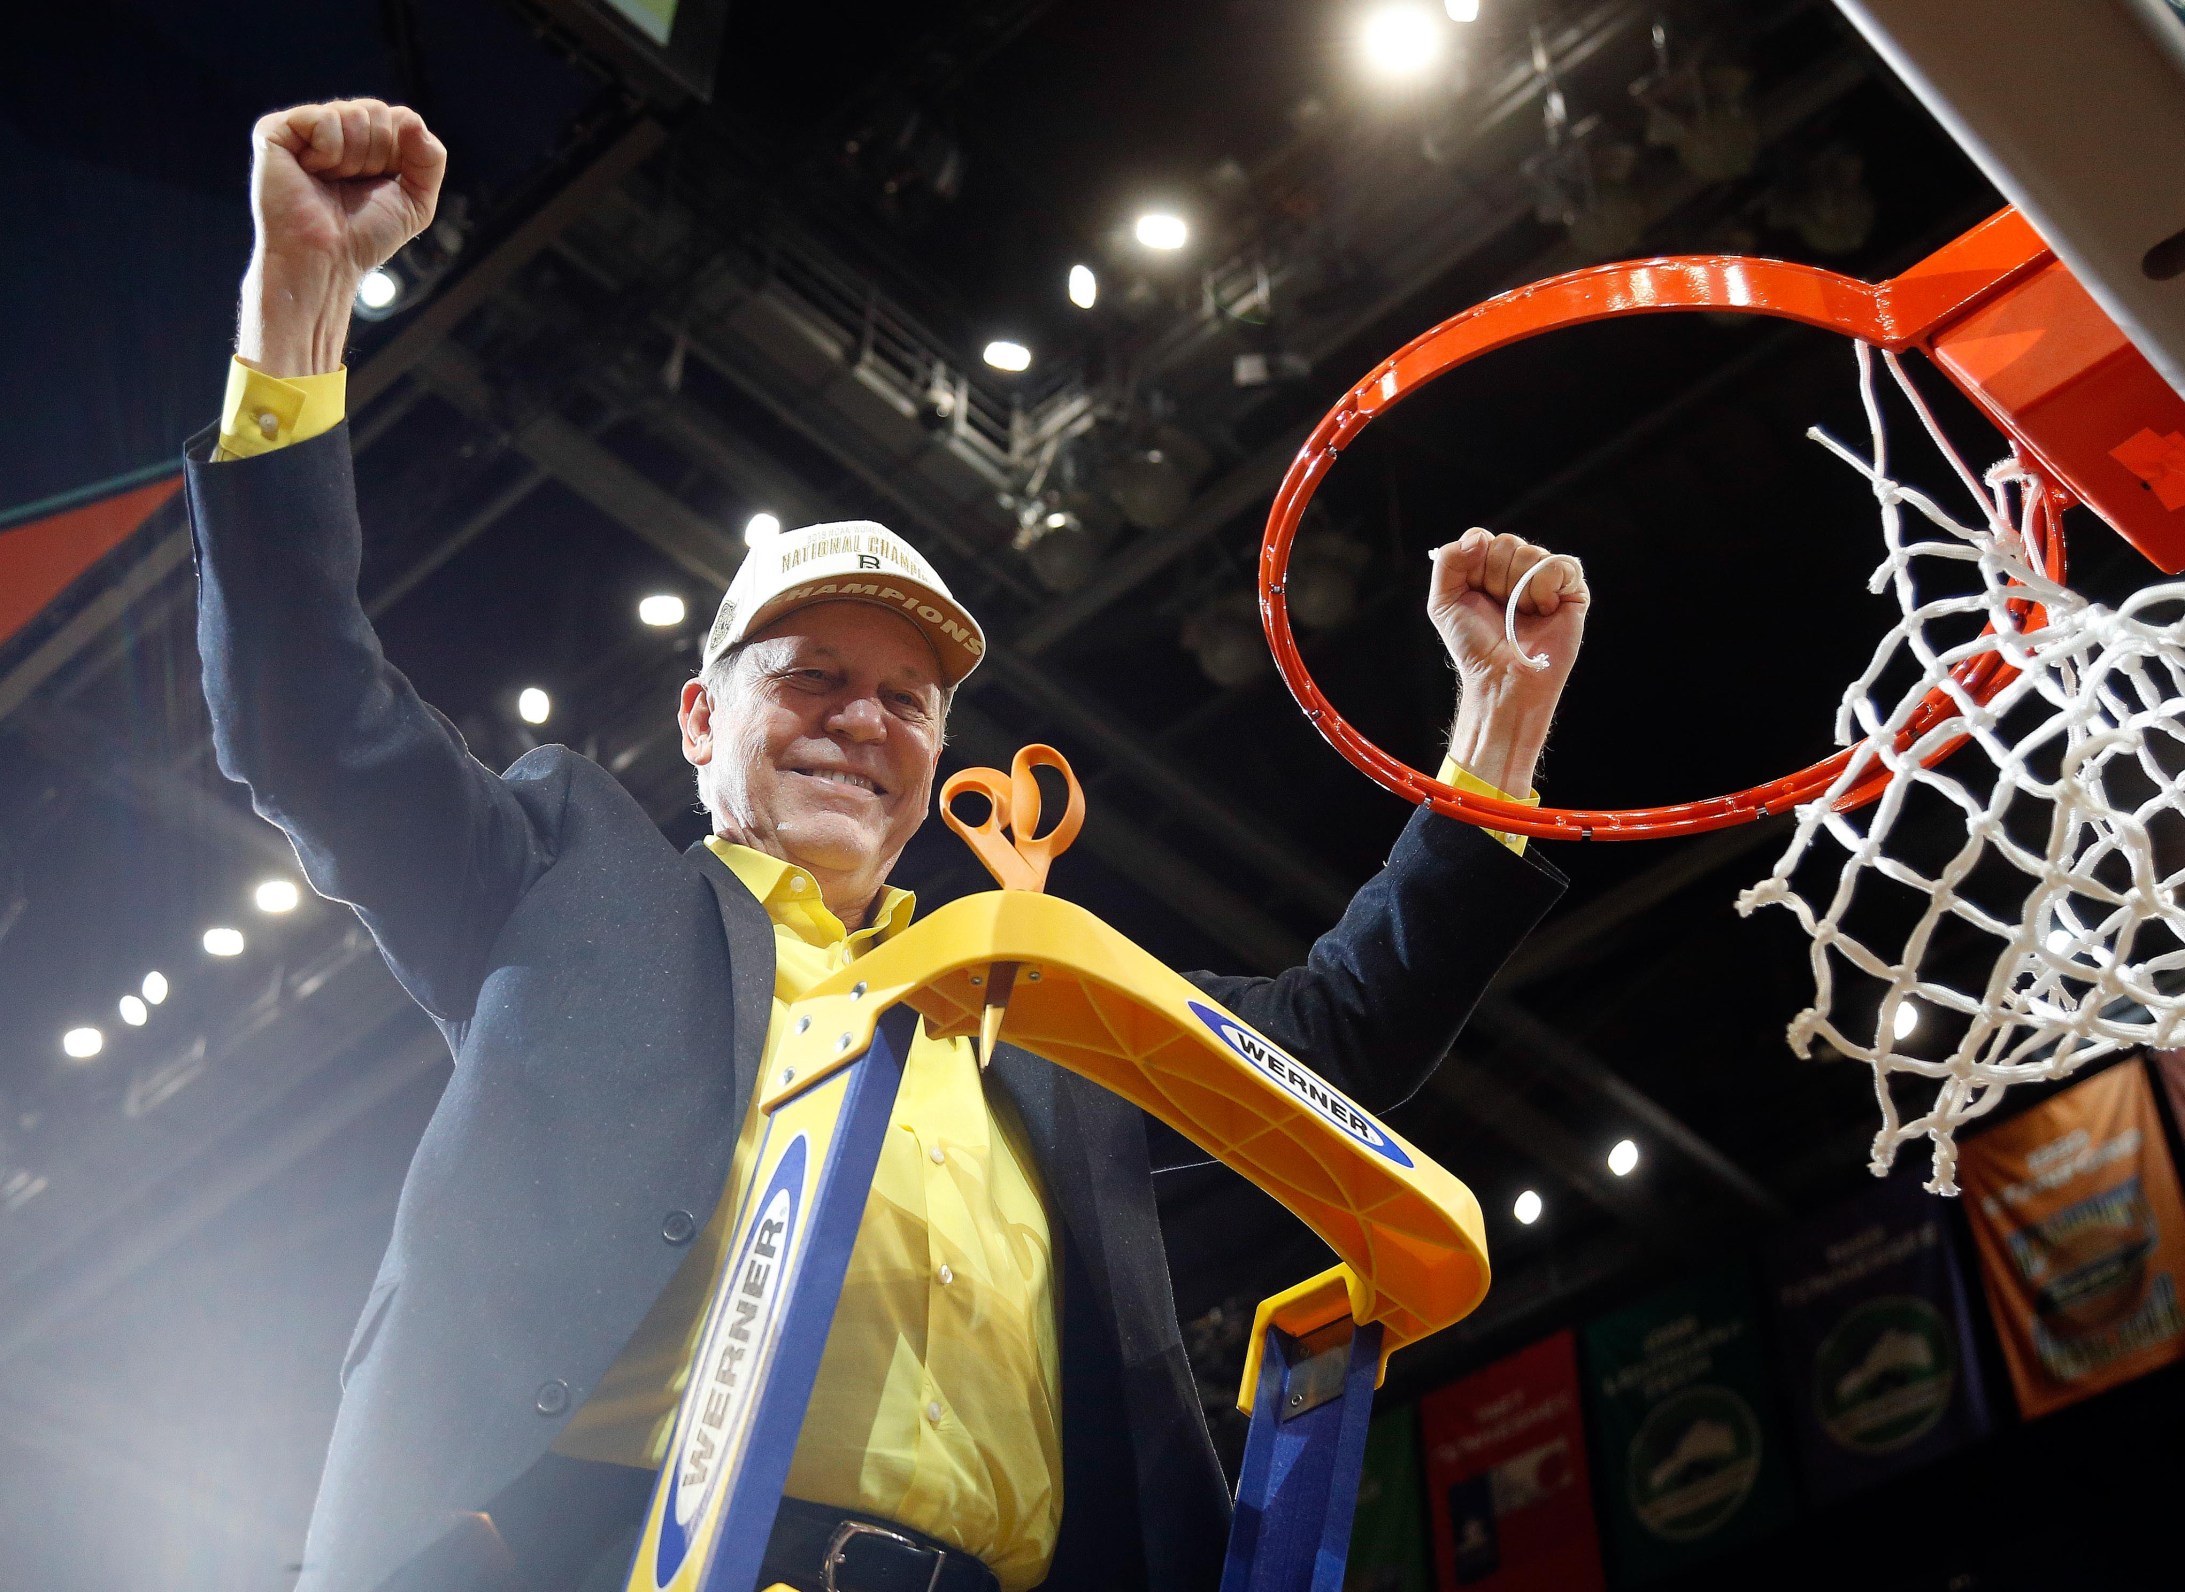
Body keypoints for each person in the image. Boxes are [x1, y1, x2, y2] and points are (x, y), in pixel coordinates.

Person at [197, 99, 1590, 1592]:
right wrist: (302, 300)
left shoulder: (1045, 1012)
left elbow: (1337, 1038)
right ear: (696, 719)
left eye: (908, 700)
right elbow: (311, 719)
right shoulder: (563, 875)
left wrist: (1497, 732)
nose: (863, 720)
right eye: (810, 677)